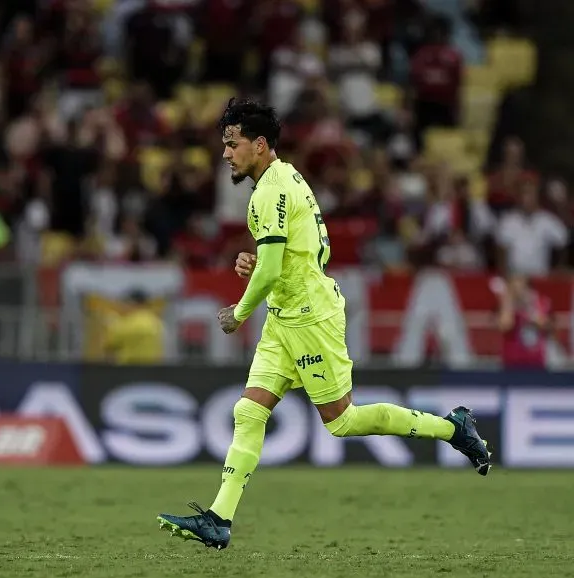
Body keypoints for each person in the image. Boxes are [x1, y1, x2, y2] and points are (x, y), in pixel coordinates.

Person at [157, 100, 492, 550]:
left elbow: (277, 270)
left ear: (259, 145)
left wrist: (238, 312)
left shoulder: (270, 193)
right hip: (284, 315)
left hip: (309, 317)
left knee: (342, 421)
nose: (225, 155)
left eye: (232, 145)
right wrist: (259, 266)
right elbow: (299, 255)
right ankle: (219, 519)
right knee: (248, 411)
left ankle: (454, 428)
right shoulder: (287, 177)